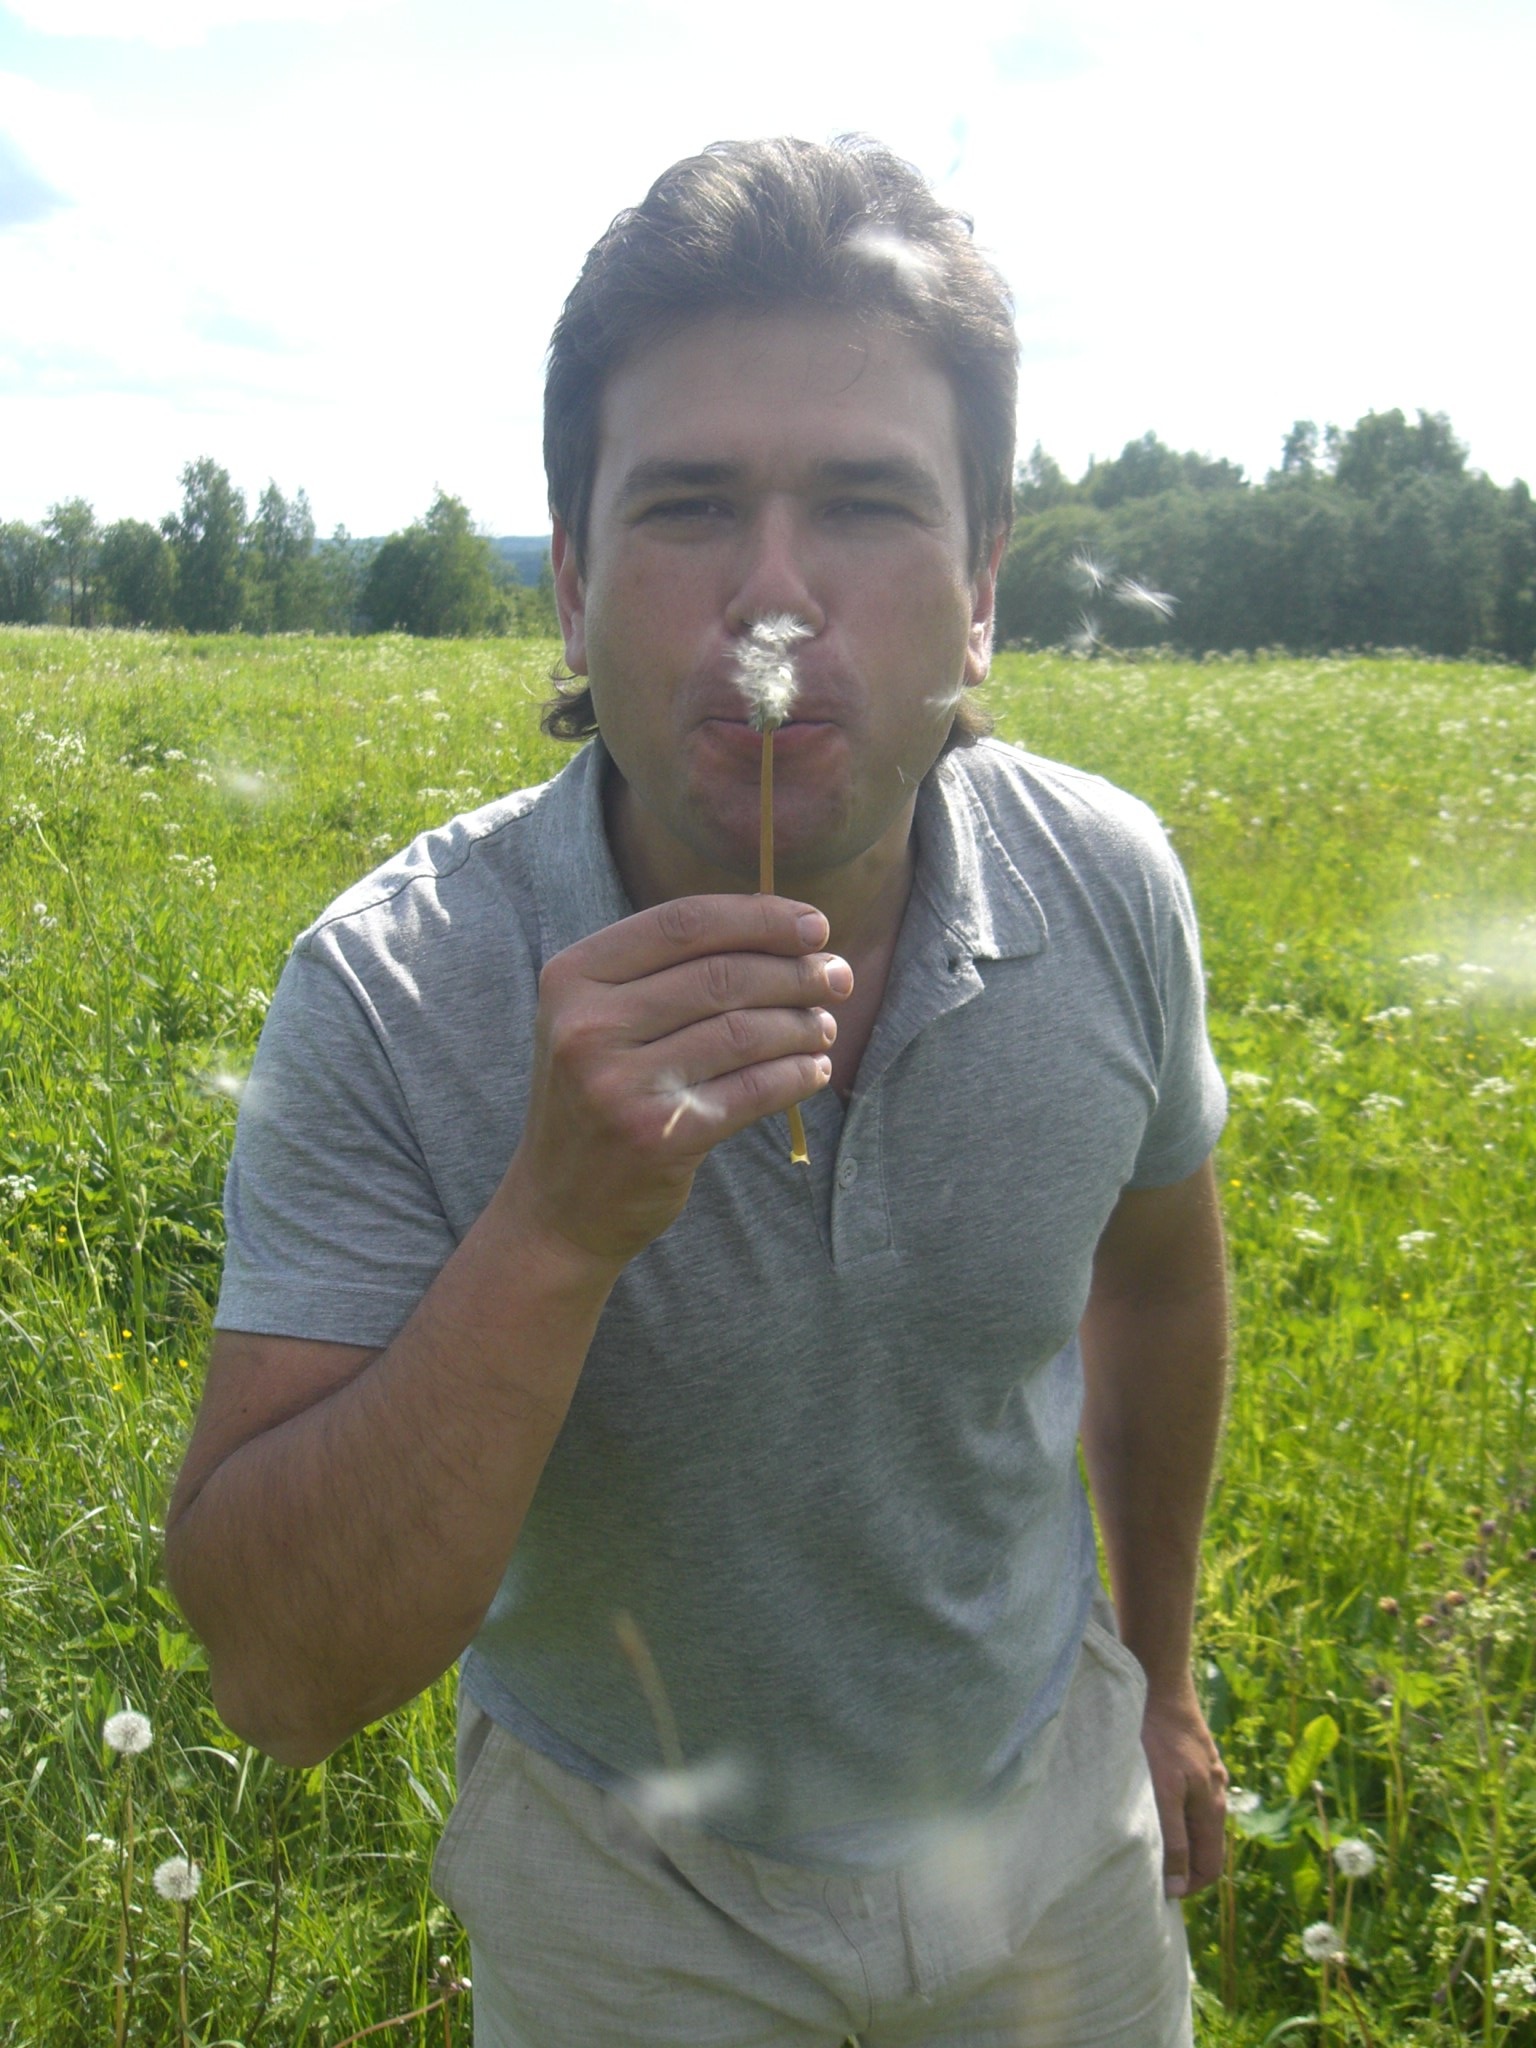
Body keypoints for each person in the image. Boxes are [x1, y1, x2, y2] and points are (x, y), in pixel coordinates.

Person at [165, 136, 1231, 2047]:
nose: (774, 593)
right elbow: (280, 1679)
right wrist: (552, 1226)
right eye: (687, 508)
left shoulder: (1108, 888)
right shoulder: (393, 991)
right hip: (627, 1898)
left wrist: (1159, 1678)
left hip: (1051, 1828)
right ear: (574, 585)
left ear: (984, 585)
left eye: (868, 504)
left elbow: (1156, 1282)